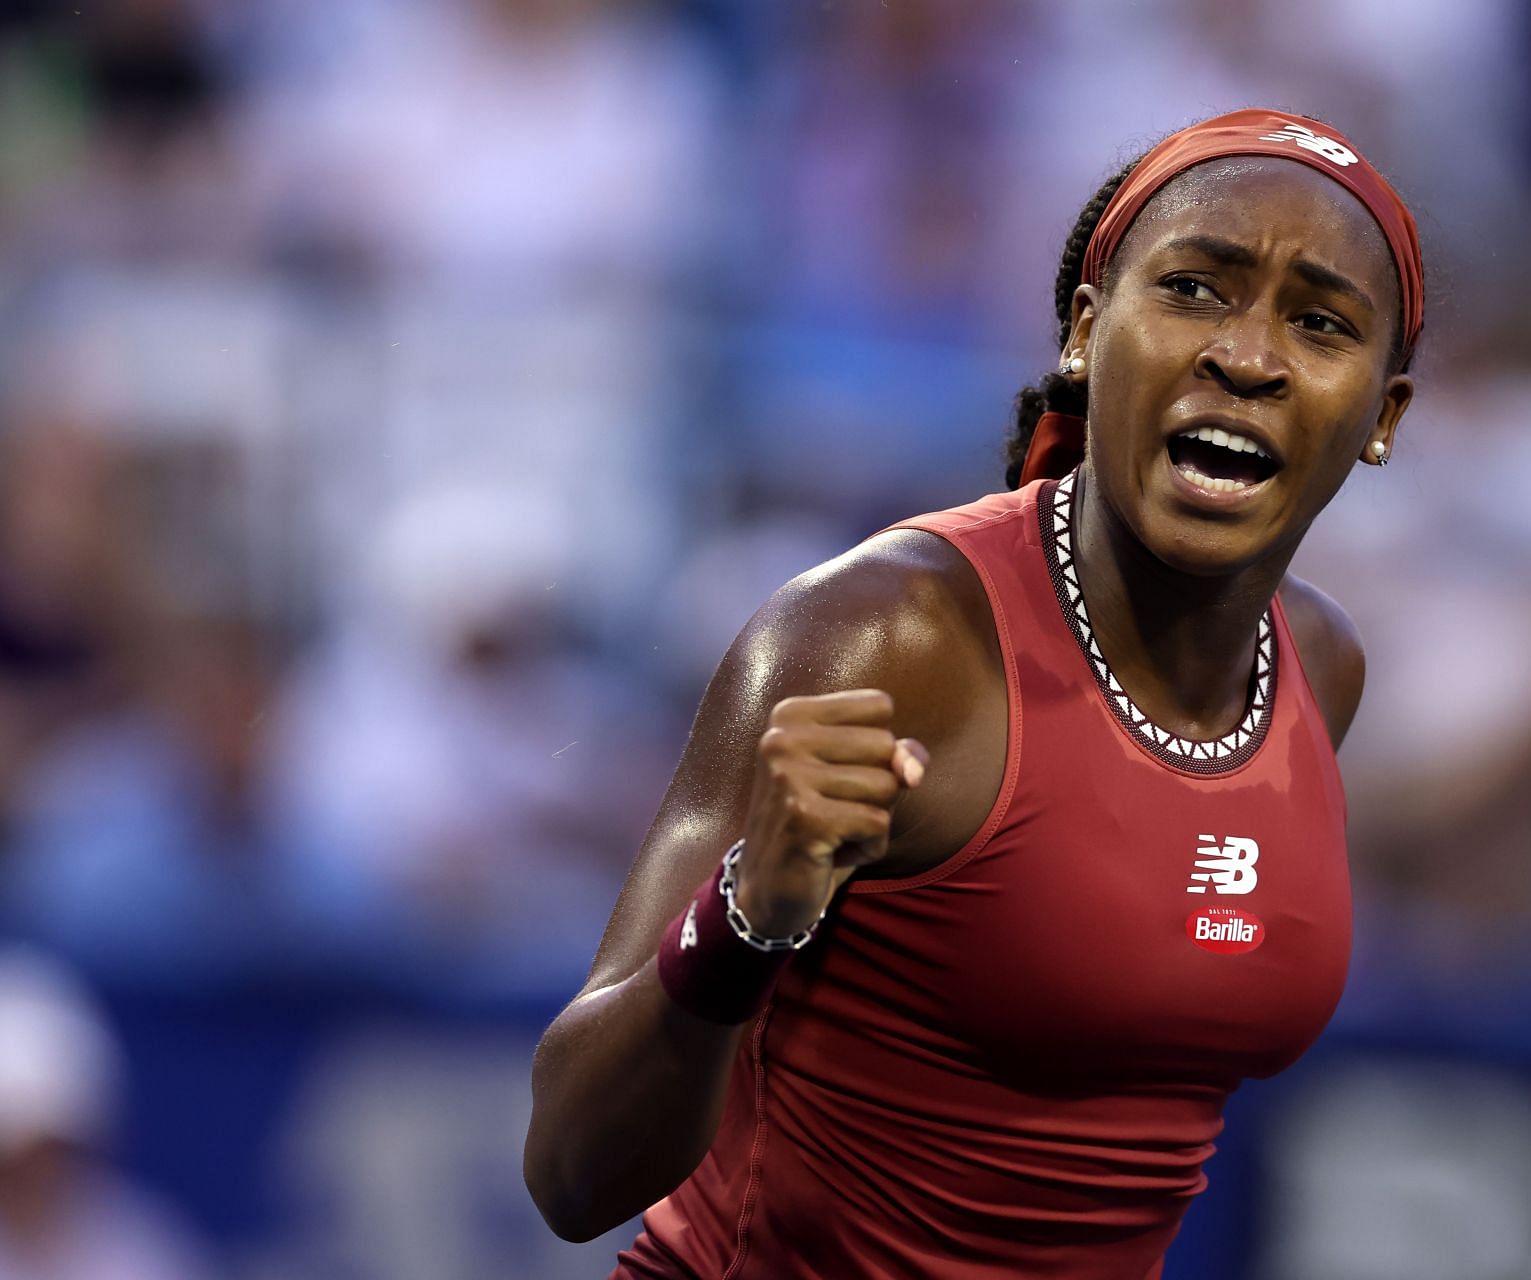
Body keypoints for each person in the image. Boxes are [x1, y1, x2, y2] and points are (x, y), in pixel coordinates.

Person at [524, 108, 1423, 1277]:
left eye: (1317, 321)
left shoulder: (1317, 665)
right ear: (1087, 334)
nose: (1246, 357)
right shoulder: (886, 638)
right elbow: (569, 1169)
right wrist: (750, 914)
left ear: (1382, 417)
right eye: (1197, 288)